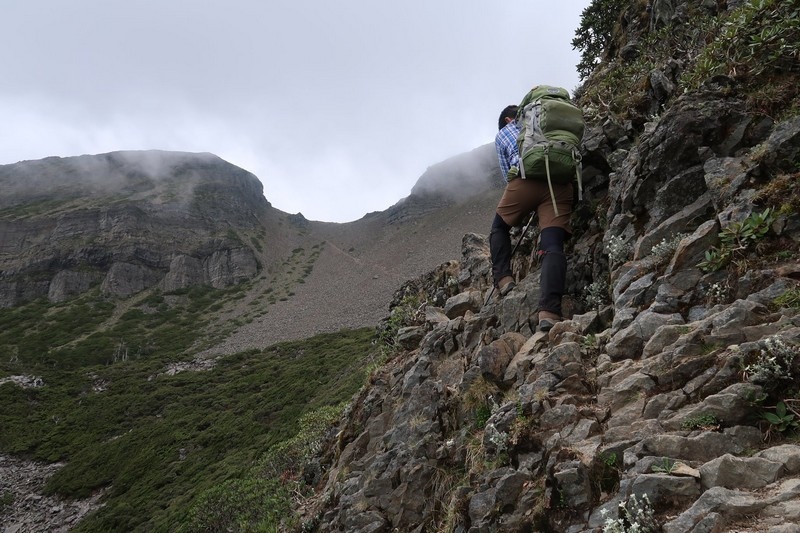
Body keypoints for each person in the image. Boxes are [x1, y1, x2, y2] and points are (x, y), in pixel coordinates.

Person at [489, 104, 573, 332]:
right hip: (560, 182)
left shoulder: (504, 132)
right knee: (553, 246)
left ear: (507, 119)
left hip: (526, 178)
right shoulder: (547, 121)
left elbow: (509, 173)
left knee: (499, 228)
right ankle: (549, 312)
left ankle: (504, 279)